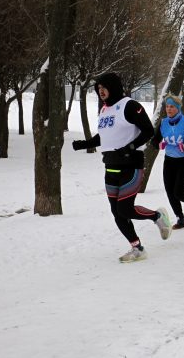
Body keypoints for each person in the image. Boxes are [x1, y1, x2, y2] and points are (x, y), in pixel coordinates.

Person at [71, 72, 172, 263]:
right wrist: (84, 144)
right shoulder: (104, 110)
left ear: (113, 86)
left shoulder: (129, 106)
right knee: (117, 212)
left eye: (104, 87)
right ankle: (137, 248)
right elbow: (104, 137)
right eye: (98, 89)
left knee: (125, 209)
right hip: (110, 167)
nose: (101, 91)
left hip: (131, 165)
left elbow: (148, 130)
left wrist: (130, 148)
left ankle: (157, 216)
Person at [151, 94, 184, 229]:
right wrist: (159, 145)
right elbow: (154, 141)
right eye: (167, 106)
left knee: (178, 192)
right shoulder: (163, 123)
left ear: (178, 108)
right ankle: (180, 219)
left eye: (172, 106)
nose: (169, 109)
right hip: (170, 161)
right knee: (169, 191)